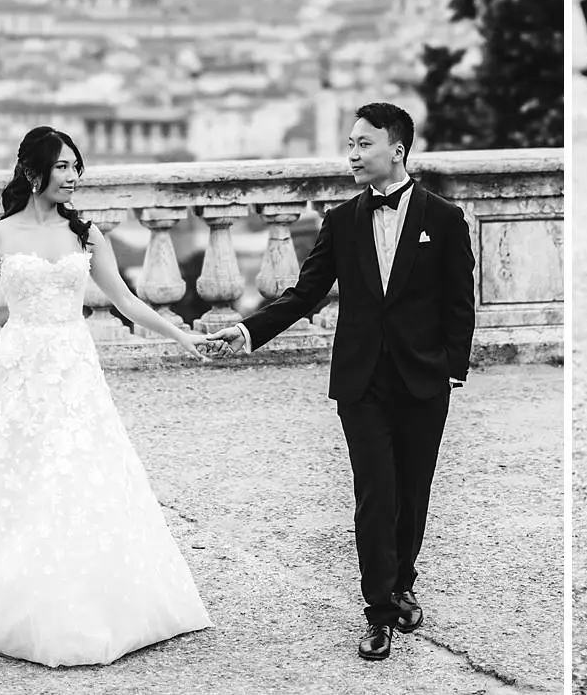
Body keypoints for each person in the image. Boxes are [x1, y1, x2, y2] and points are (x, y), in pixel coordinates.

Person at [0, 126, 214, 667]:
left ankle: (90, 603)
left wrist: (184, 336)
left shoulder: (88, 234)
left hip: (73, 367)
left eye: (76, 168)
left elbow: (126, 300)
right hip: (18, 367)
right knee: (14, 476)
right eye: (63, 167)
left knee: (80, 473)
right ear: (32, 173)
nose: (72, 177)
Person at [204, 102, 476, 662]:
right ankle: (379, 612)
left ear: (396, 149)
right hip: (361, 382)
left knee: (412, 494)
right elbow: (303, 295)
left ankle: (402, 581)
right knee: (375, 494)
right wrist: (247, 330)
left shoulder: (445, 219)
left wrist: (451, 369)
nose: (351, 154)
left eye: (363, 144)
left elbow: (458, 303)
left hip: (424, 382)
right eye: (349, 144)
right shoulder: (341, 221)